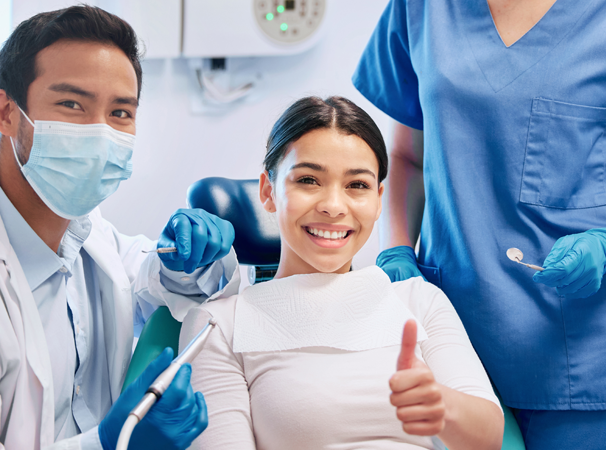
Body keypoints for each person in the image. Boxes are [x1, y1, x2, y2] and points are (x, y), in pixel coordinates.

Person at [180, 96, 504, 450]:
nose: (334, 206)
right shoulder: (218, 325)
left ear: (379, 199)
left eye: (357, 185)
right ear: (268, 192)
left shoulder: (418, 301)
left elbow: (488, 439)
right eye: (308, 180)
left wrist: (443, 405)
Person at [352, 0, 606, 448]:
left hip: (577, 352)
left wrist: (603, 244)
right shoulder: (422, 9)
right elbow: (407, 158)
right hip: (450, 330)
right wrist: (394, 251)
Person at [0, 6, 239, 450]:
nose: (99, 133)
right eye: (71, 104)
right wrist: (110, 442)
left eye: (120, 113)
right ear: (6, 112)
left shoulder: (88, 236)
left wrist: (194, 259)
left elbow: (164, 284)